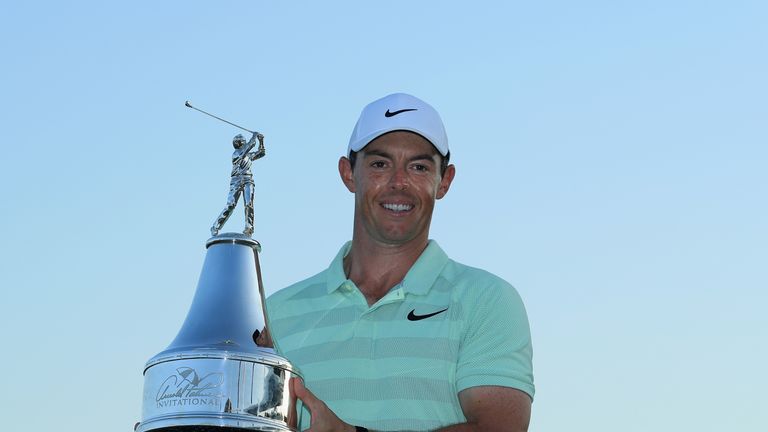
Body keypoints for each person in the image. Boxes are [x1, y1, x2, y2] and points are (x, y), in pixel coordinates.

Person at [266, 93, 534, 431]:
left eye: (419, 167)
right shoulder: (275, 314)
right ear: (348, 173)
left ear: (445, 181)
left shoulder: (486, 300)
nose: (399, 183)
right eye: (380, 164)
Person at [211, 132, 265, 237]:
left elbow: (261, 153)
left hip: (248, 180)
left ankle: (249, 228)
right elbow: (249, 146)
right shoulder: (236, 154)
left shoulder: (248, 155)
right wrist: (254, 137)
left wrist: (261, 141)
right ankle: (215, 226)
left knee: (249, 204)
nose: (242, 143)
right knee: (231, 205)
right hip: (236, 181)